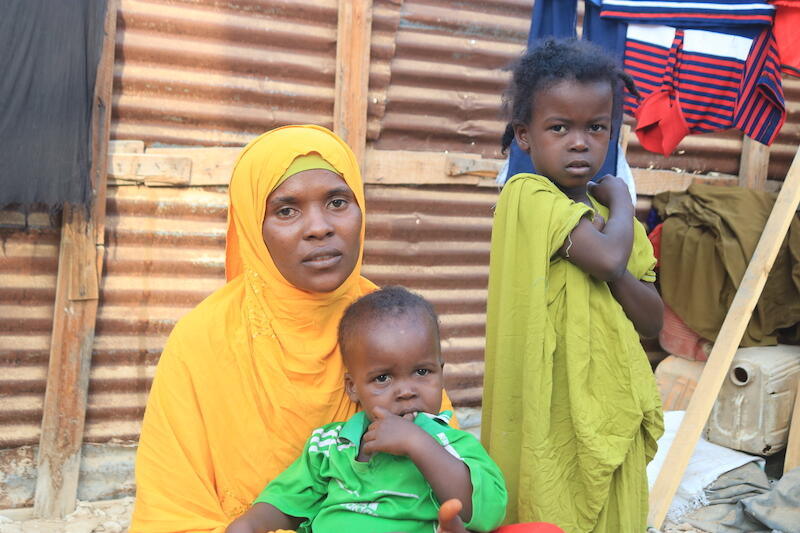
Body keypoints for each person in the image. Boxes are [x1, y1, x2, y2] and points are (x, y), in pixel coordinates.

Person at [129, 125, 458, 533]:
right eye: (287, 210)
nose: (318, 227)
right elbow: (172, 512)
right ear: (254, 227)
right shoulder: (203, 340)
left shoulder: (390, 324)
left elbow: (454, 470)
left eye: (338, 202)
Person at [481, 38, 665, 532]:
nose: (579, 142)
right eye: (559, 127)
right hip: (551, 403)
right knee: (551, 500)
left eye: (595, 127)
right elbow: (606, 260)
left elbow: (653, 321)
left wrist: (617, 237)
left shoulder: (610, 223)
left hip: (608, 405)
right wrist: (624, 202)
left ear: (611, 133)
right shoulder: (527, 196)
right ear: (524, 135)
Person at [226, 286, 508, 533]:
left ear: (441, 374)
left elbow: (488, 511)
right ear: (352, 387)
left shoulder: (452, 445)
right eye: (382, 378)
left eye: (422, 371)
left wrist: (418, 444)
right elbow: (288, 501)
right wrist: (251, 523)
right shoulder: (328, 446)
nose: (406, 390)